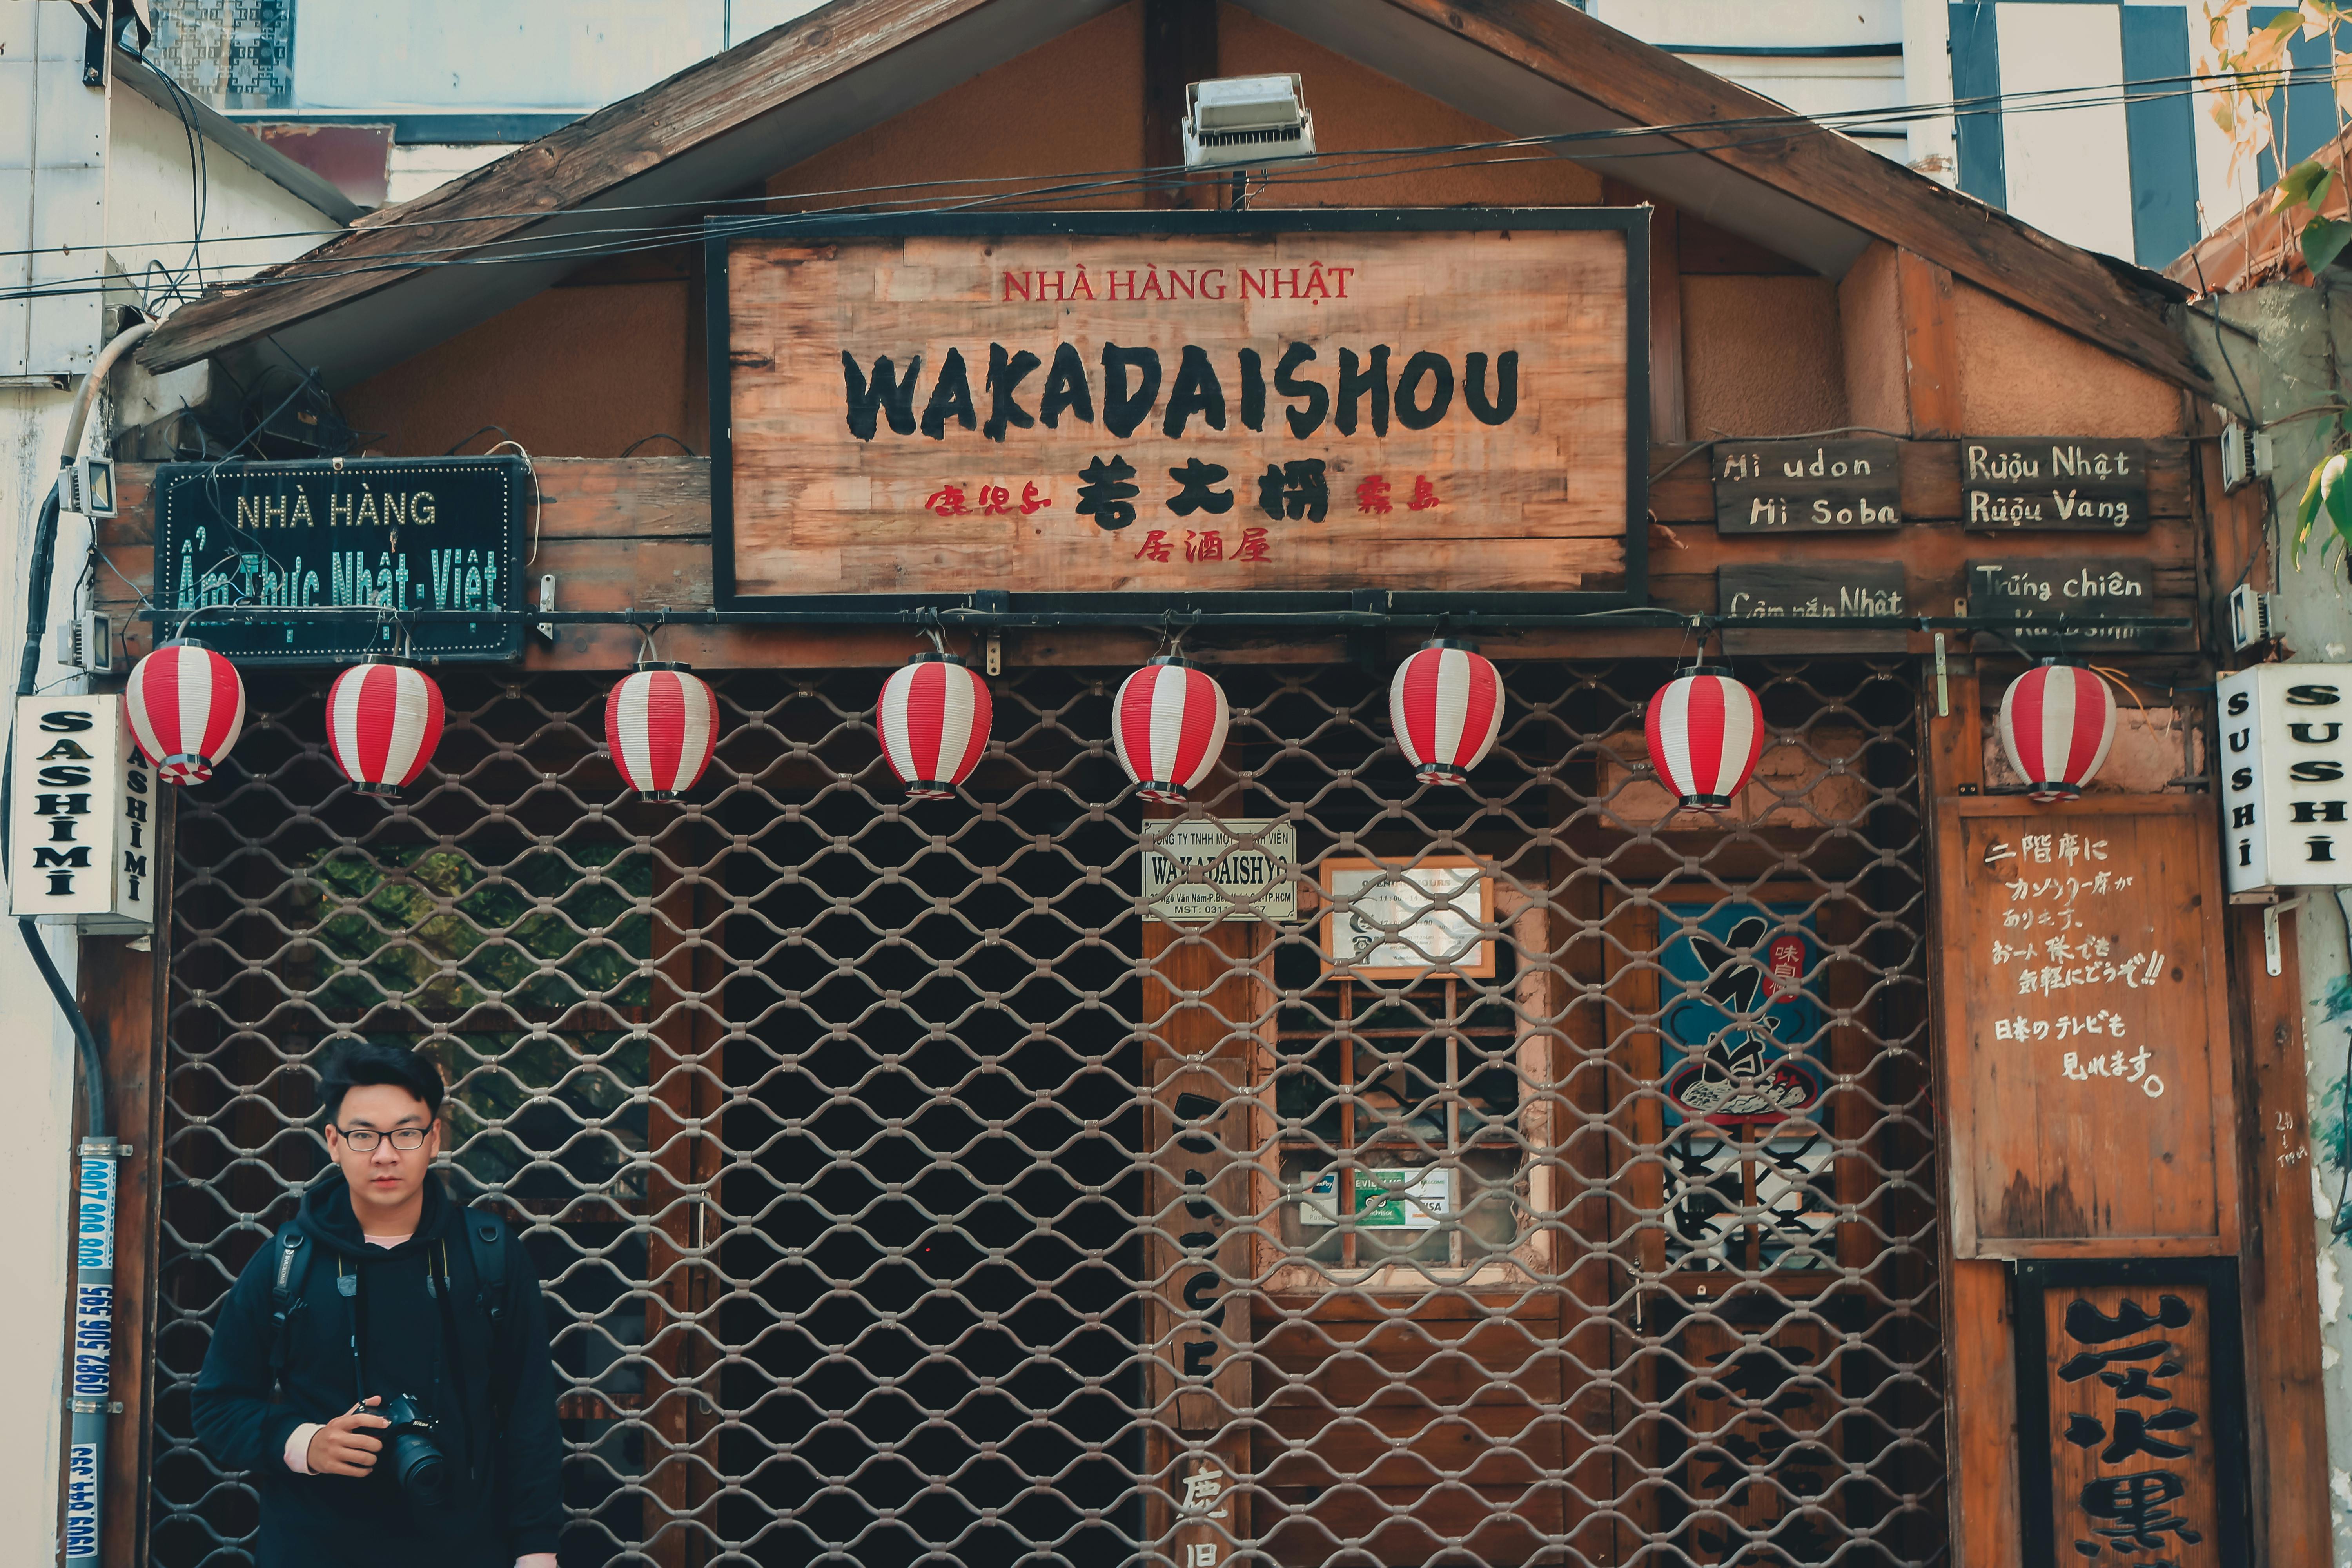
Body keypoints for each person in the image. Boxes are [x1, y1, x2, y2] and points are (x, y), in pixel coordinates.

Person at [193, 1041, 563, 1568]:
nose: (385, 1155)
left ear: (434, 1139)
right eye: (364, 1135)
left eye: (406, 1133)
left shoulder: (489, 1254)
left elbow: (529, 1412)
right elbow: (216, 1403)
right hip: (313, 1547)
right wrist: (306, 1444)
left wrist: (536, 1549)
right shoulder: (287, 1262)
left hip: (463, 1547)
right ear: (333, 1143)